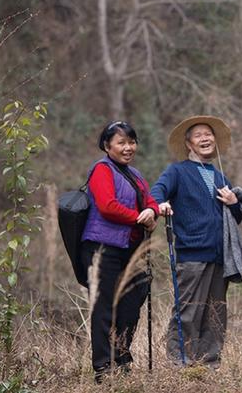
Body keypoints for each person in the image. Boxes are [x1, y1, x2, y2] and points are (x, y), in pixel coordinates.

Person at [151, 115, 242, 368]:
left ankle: (209, 363)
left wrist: (235, 204)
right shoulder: (177, 171)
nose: (205, 138)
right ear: (189, 144)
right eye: (198, 135)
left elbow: (236, 218)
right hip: (191, 253)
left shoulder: (221, 178)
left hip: (219, 255)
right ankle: (179, 362)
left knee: (216, 312)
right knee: (189, 310)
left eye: (208, 134)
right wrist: (161, 204)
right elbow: (157, 191)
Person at [80, 121, 159, 382]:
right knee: (103, 307)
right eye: (121, 143)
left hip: (131, 249)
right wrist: (140, 217)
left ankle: (122, 361)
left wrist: (153, 211)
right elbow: (108, 206)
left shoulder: (135, 175)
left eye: (132, 142)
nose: (128, 148)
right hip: (103, 247)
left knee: (130, 305)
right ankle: (104, 368)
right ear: (107, 146)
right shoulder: (102, 170)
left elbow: (150, 201)